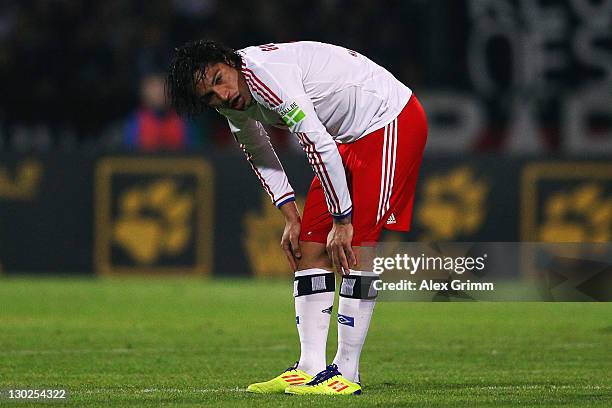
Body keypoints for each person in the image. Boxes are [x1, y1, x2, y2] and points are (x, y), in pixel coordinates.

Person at [167, 40, 427, 395]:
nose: (223, 95)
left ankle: (347, 372)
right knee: (309, 247)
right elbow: (256, 148)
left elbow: (315, 143)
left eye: (220, 78)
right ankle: (310, 366)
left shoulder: (266, 78)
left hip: (389, 120)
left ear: (231, 62)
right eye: (210, 95)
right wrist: (290, 214)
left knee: (357, 246)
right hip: (345, 139)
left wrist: (342, 220)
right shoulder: (233, 101)